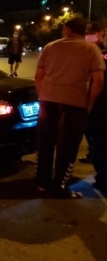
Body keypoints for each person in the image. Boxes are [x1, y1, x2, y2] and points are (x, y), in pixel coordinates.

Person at [35, 17, 104, 199]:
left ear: (67, 29)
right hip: (75, 101)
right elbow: (98, 80)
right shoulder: (91, 49)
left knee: (45, 142)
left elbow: (39, 75)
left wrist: (43, 95)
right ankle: (60, 185)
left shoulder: (50, 46)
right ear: (84, 31)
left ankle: (42, 182)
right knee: (68, 146)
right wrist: (89, 103)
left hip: (48, 100)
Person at [81, 22, 106, 164]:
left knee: (98, 131)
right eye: (87, 32)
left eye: (92, 33)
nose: (89, 35)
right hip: (86, 94)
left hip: (101, 98)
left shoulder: (103, 52)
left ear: (101, 33)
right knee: (88, 128)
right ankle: (92, 152)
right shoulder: (86, 49)